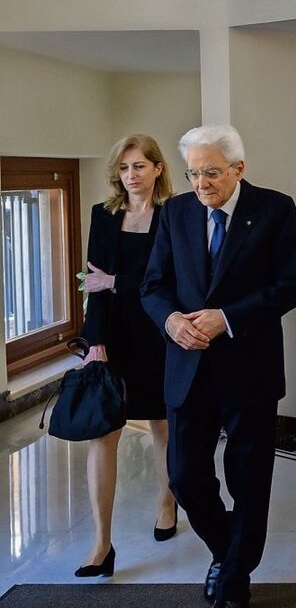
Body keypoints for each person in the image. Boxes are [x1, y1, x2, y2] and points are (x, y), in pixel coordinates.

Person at [141, 125, 296, 608]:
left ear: (238, 168)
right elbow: (153, 286)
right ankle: (230, 548)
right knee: (185, 476)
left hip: (249, 369)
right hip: (186, 368)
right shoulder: (175, 211)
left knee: (248, 477)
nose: (200, 184)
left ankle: (233, 575)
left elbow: (291, 283)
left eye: (211, 173)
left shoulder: (275, 209)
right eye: (193, 173)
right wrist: (172, 321)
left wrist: (228, 318)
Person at [76, 134, 177, 578]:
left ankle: (167, 500)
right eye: (123, 168)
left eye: (139, 166)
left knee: (162, 424)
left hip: (160, 331)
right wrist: (93, 342)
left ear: (158, 168)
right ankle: (101, 543)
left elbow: (169, 278)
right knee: (104, 432)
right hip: (113, 334)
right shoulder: (104, 215)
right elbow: (93, 281)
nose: (131, 175)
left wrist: (118, 281)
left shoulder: (175, 214)